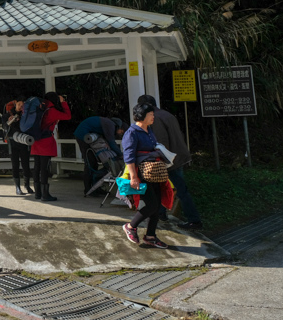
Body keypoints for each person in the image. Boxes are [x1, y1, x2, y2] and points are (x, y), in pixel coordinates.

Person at [138, 94, 203, 230]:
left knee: (178, 190)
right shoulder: (166, 114)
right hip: (177, 156)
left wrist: (157, 159)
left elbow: (161, 142)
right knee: (165, 186)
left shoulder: (154, 118)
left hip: (170, 159)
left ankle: (194, 220)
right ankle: (161, 213)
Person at [121, 103, 172, 249]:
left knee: (157, 205)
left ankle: (150, 236)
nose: (153, 117)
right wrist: (133, 177)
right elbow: (128, 156)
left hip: (154, 172)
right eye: (151, 114)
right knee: (151, 204)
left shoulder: (148, 129)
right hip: (141, 173)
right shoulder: (131, 133)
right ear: (142, 116)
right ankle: (130, 226)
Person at [30, 92, 71, 201]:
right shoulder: (51, 111)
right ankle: (45, 195)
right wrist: (63, 103)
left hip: (35, 141)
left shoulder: (39, 108)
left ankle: (37, 193)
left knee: (37, 167)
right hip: (46, 142)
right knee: (44, 168)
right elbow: (67, 116)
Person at [74, 116, 125, 195]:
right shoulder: (110, 125)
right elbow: (111, 142)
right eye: (121, 131)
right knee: (90, 162)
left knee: (94, 162)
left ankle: (95, 187)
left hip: (87, 135)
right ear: (118, 126)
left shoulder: (107, 123)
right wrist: (120, 154)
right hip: (83, 136)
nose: (121, 133)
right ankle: (88, 189)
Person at [2, 99, 32, 195]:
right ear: (15, 105)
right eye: (19, 104)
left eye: (23, 105)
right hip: (12, 141)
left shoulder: (26, 115)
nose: (21, 107)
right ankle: (17, 187)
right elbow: (4, 126)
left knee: (26, 164)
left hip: (24, 141)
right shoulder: (7, 115)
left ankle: (27, 185)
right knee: (15, 165)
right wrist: (10, 121)